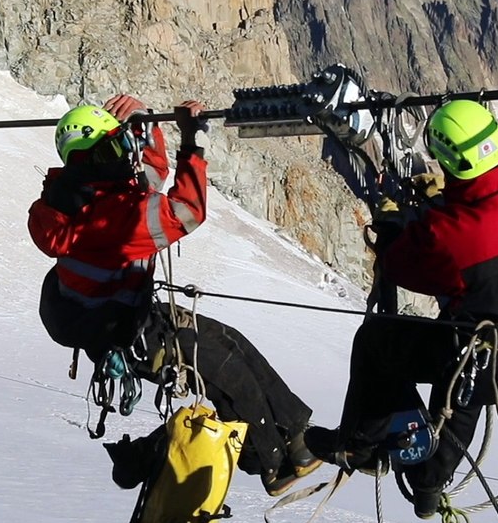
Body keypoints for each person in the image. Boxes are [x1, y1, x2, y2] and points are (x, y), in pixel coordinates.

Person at [28, 94, 320, 496]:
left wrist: (144, 125)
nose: (123, 153)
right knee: (226, 368)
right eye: (114, 147)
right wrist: (193, 142)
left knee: (228, 341)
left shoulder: (83, 196)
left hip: (123, 320)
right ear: (88, 161)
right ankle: (274, 462)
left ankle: (297, 433)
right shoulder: (109, 217)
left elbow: (147, 173)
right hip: (131, 335)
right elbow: (187, 211)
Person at [306, 99, 498, 518]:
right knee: (473, 352)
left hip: (477, 368)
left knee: (381, 341)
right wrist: (449, 203)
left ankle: (359, 444)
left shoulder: (452, 236)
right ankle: (429, 483)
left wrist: (395, 225)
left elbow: (403, 264)